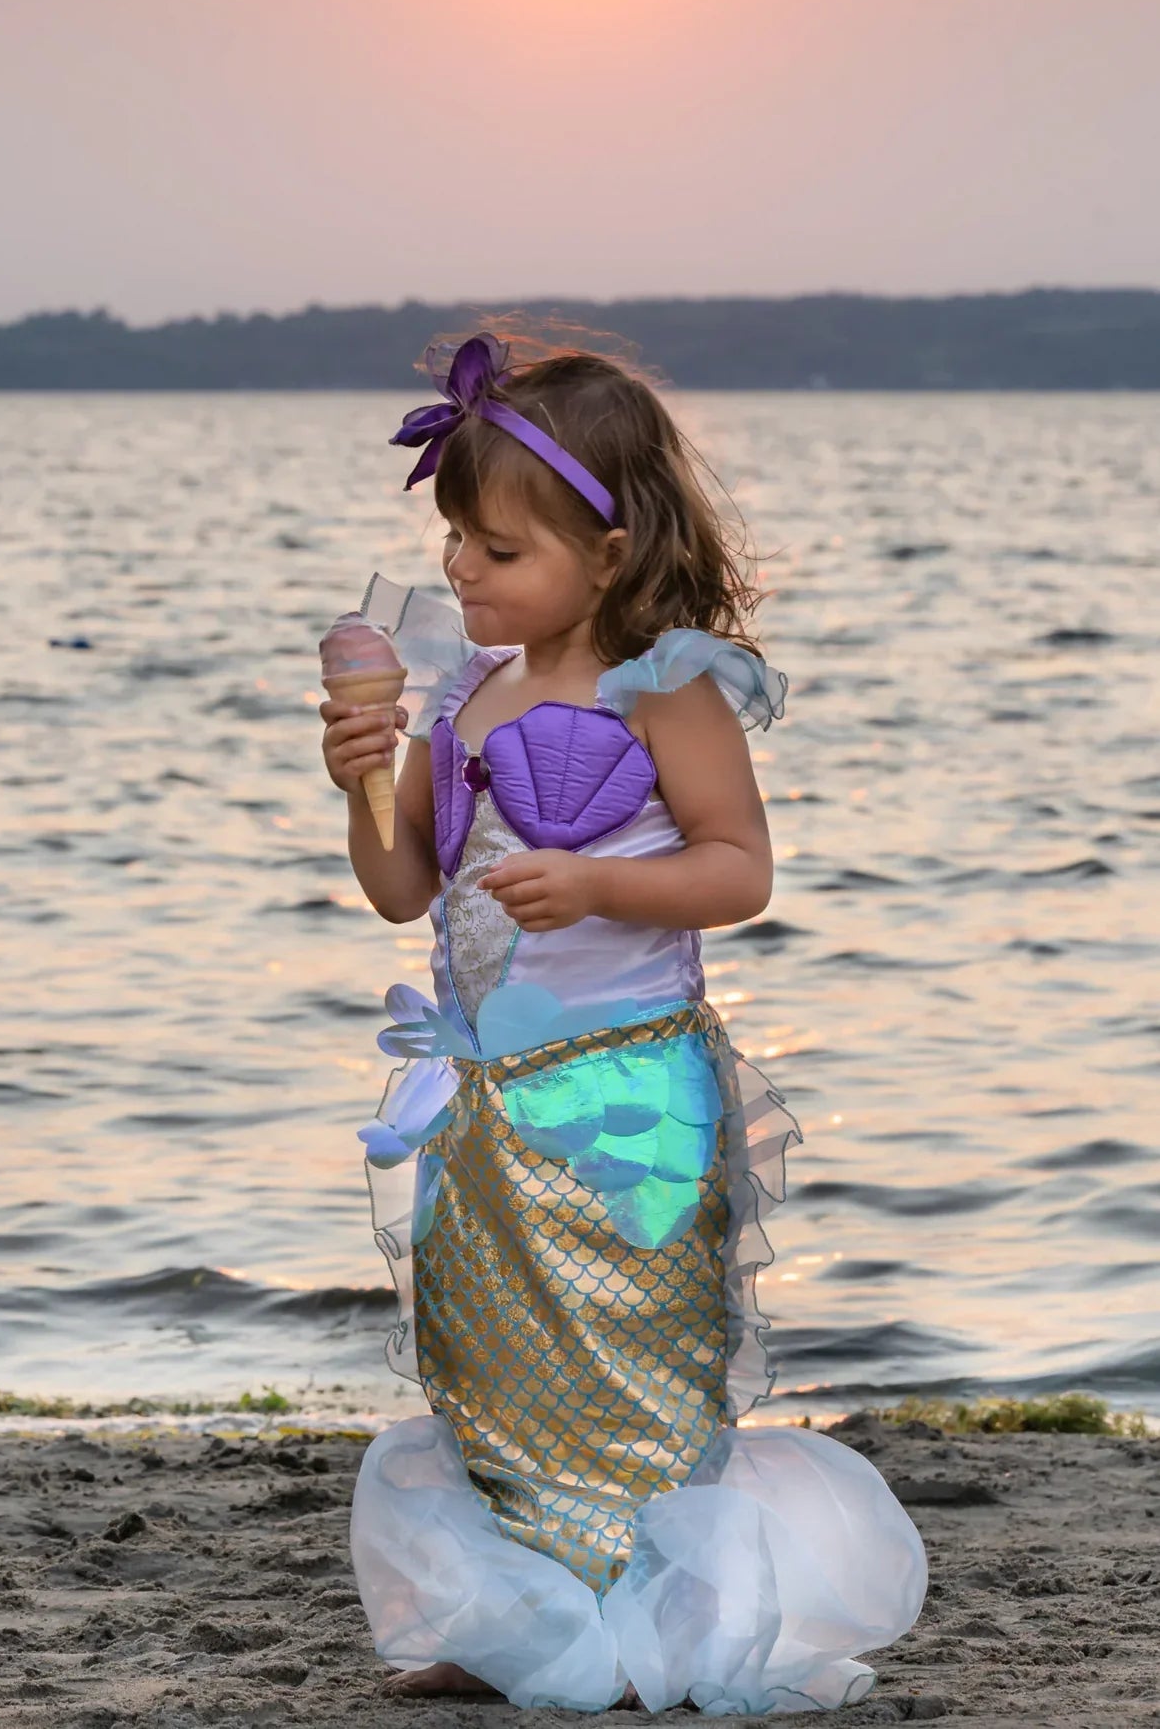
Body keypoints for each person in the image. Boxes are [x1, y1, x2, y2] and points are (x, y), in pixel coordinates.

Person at [319, 329, 927, 1714]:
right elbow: (402, 885)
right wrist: (358, 785)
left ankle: (660, 1633)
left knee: (637, 1359)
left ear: (607, 553)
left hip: (629, 1097)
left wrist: (596, 880)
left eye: (498, 548)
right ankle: (527, 1627)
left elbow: (739, 868)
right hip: (486, 1108)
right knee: (494, 1358)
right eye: (457, 541)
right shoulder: (461, 694)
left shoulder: (669, 688)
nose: (462, 569)